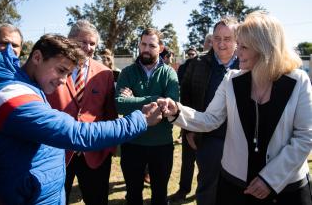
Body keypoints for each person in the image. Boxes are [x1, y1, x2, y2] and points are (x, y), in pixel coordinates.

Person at [158, 11, 312, 205]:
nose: (237, 52)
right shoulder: (231, 79)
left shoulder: (298, 81)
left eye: (244, 47)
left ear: (266, 49)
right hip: (235, 186)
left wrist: (270, 179)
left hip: (287, 189)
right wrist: (177, 111)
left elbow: (305, 137)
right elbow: (210, 119)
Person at [0, 34, 162, 205]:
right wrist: (140, 120)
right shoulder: (13, 96)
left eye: (67, 74)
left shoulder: (29, 85)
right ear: (37, 57)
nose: (62, 81)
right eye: (61, 70)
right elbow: (77, 133)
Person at [169, 16, 239, 204]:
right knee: (208, 188)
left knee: (236, 190)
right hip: (208, 139)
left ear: (237, 40)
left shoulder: (247, 65)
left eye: (227, 38)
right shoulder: (197, 63)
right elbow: (186, 97)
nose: (221, 43)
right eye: (217, 38)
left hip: (239, 142)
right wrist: (189, 130)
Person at [45, 20, 115, 205]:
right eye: (83, 42)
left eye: (92, 44)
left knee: (97, 199)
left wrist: (108, 148)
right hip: (57, 151)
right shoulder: (51, 69)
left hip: (94, 152)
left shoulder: (105, 73)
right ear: (69, 41)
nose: (88, 47)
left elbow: (110, 114)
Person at [115, 28, 179, 205]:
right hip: (132, 143)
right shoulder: (127, 72)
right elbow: (119, 103)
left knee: (159, 196)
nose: (146, 49)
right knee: (133, 195)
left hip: (162, 145)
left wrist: (134, 100)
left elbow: (171, 104)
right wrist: (155, 98)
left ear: (160, 47)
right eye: (143, 44)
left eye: (152, 45)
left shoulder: (169, 73)